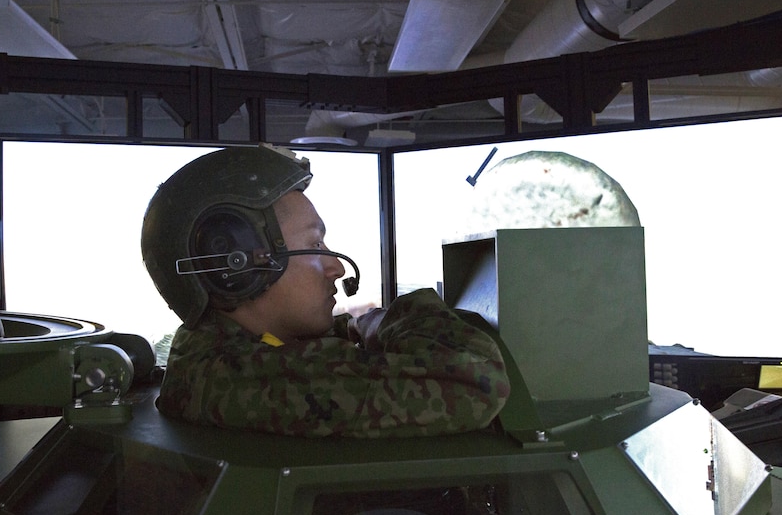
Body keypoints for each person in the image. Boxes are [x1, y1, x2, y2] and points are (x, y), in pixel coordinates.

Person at [140, 144, 509, 437]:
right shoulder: (251, 378)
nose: (335, 267)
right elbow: (475, 379)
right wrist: (393, 318)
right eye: (315, 246)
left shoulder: (226, 356)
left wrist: (356, 324)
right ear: (237, 266)